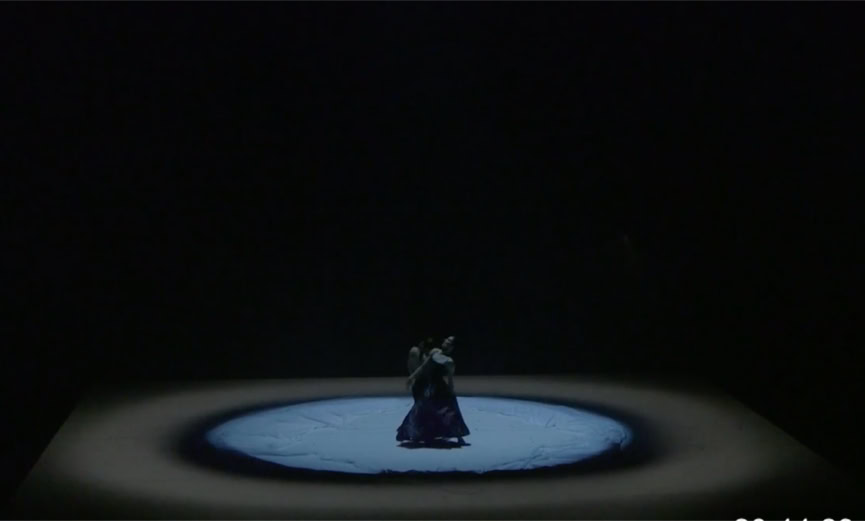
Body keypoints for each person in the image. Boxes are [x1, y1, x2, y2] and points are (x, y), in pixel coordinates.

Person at [396, 336, 470, 445]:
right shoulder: (435, 351)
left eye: (449, 342)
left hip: (440, 387)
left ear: (452, 347)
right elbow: (423, 367)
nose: (446, 341)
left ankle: (458, 435)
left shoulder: (450, 362)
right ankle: (418, 433)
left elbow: (450, 379)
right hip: (429, 386)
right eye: (446, 339)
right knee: (421, 409)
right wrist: (412, 377)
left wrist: (451, 391)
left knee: (450, 410)